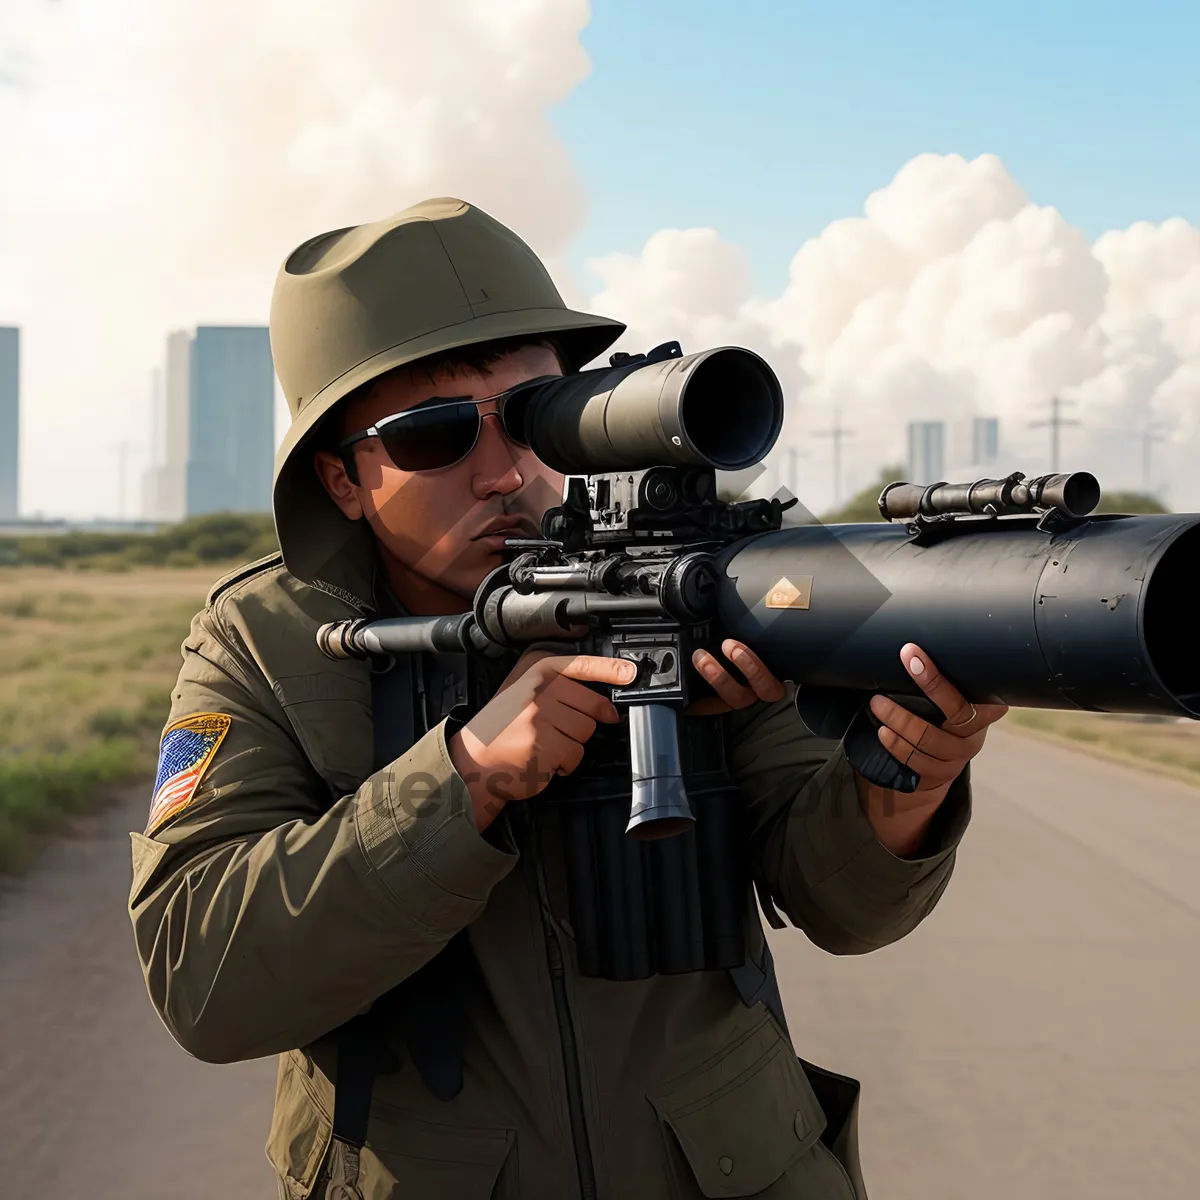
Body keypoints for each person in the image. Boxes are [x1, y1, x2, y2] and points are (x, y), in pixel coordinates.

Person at [128, 197, 1006, 1200]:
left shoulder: (694, 575)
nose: (505, 472)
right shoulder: (269, 641)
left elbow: (844, 904)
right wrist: (462, 779)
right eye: (435, 436)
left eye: (539, 416)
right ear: (341, 477)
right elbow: (205, 979)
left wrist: (901, 791)